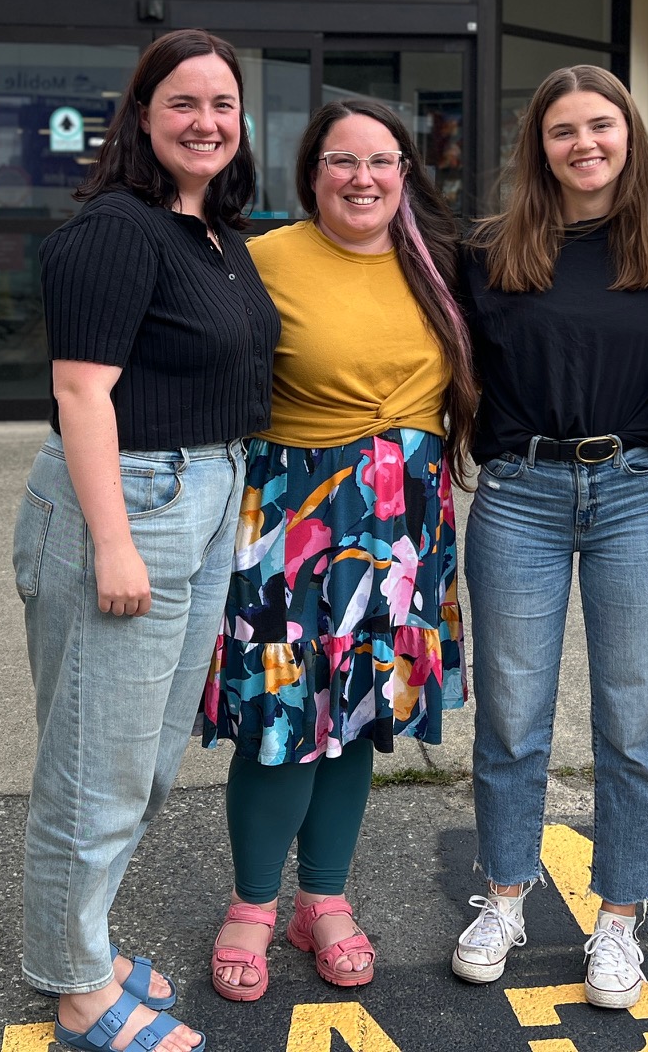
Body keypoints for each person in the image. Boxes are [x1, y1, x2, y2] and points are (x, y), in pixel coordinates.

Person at [14, 30, 280, 1052]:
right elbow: (81, 391)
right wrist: (114, 542)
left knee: (149, 755)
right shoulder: (115, 231)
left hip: (206, 491)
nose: (206, 121)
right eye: (183, 103)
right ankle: (79, 988)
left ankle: (81, 943)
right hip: (128, 499)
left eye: (223, 103)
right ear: (140, 115)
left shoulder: (211, 230)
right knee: (97, 764)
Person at [203, 99, 474, 1002]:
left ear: (406, 172)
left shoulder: (436, 261)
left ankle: (321, 898)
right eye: (341, 160)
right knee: (283, 719)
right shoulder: (262, 258)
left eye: (382, 160)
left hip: (404, 523)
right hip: (295, 519)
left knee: (354, 713)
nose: (363, 177)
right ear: (310, 172)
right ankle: (249, 904)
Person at [450, 65, 648, 1010]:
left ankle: (620, 921)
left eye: (601, 126)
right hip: (519, 493)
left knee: (634, 721)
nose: (584, 143)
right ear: (536, 146)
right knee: (511, 715)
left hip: (635, 490)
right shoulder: (487, 249)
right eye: (563, 130)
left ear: (629, 136)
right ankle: (505, 897)